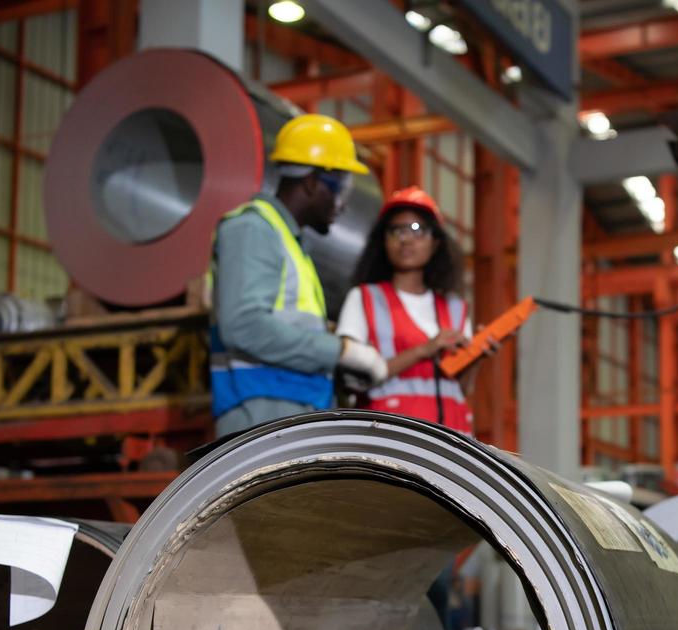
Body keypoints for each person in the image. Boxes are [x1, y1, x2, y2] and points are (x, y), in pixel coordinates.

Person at [209, 114, 389, 437]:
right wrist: (339, 351)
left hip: (291, 412)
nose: (343, 205)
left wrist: (335, 365)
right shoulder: (253, 230)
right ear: (311, 182)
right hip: (261, 417)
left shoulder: (290, 242)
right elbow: (244, 326)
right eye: (341, 189)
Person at [336, 186, 492, 434]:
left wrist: (477, 358)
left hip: (452, 441)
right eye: (396, 230)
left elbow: (459, 389)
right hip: (388, 439)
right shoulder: (364, 299)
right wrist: (425, 350)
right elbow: (350, 378)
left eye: (417, 230)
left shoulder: (455, 309)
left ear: (435, 242)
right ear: (383, 240)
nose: (405, 238)